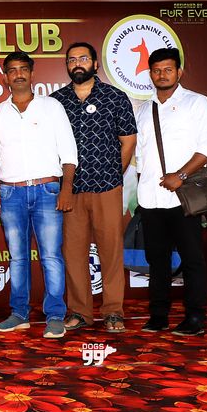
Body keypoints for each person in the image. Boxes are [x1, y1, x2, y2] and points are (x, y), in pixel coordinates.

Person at [0, 51, 77, 339]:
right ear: (5, 77)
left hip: (48, 190)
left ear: (32, 73)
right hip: (11, 193)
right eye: (12, 70)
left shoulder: (52, 107)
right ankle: (19, 314)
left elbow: (69, 152)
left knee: (51, 256)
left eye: (23, 69)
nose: (18, 74)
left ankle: (55, 316)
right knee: (17, 257)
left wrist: (66, 188)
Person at [51, 42, 137, 333]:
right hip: (70, 191)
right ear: (67, 65)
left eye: (83, 58)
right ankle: (79, 311)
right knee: (74, 254)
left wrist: (113, 174)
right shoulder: (56, 102)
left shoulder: (115, 97)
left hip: (107, 187)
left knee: (110, 251)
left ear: (95, 64)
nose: (77, 63)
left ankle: (113, 312)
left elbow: (128, 141)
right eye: (71, 59)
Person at [135, 48, 207, 336]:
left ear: (179, 72)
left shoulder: (196, 103)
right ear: (150, 74)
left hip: (184, 197)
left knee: (192, 259)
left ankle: (195, 317)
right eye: (157, 70)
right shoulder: (144, 110)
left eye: (168, 69)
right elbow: (140, 155)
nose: (162, 75)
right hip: (150, 198)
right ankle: (158, 316)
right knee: (156, 261)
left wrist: (180, 176)